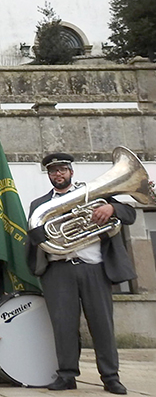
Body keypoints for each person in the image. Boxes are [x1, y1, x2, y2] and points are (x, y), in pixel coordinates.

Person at [26, 152, 135, 395]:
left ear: (71, 172)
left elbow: (130, 214)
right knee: (63, 326)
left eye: (62, 169)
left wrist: (112, 207)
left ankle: (110, 377)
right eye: (53, 171)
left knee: (102, 325)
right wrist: (38, 235)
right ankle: (67, 375)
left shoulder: (94, 195)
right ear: (48, 175)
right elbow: (33, 238)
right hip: (58, 270)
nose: (58, 174)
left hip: (94, 268)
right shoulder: (39, 205)